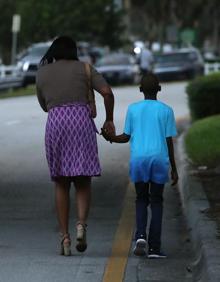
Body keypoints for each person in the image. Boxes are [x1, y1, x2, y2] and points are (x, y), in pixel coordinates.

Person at [36, 36, 115, 256]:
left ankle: (65, 238)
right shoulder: (85, 68)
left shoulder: (42, 73)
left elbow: (44, 105)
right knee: (82, 180)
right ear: (74, 51)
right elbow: (107, 92)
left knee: (61, 182)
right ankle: (81, 225)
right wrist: (109, 119)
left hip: (56, 122)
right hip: (81, 122)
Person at [101, 73, 178, 259]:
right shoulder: (167, 110)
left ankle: (141, 236)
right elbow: (169, 141)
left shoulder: (133, 109)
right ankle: (155, 248)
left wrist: (110, 137)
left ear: (140, 90)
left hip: (139, 160)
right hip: (159, 159)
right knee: (157, 201)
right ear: (159, 89)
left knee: (141, 198)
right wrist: (174, 168)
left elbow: (126, 137)